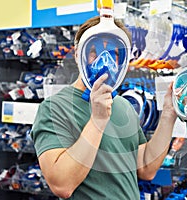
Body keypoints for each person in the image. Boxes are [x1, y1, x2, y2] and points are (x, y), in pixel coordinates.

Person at [31, 16, 178, 200]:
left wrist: (168, 115)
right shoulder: (54, 108)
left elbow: (146, 168)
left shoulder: (123, 105)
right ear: (78, 54)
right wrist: (98, 120)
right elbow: (62, 184)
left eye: (113, 54)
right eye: (94, 51)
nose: (104, 60)